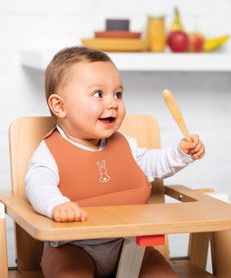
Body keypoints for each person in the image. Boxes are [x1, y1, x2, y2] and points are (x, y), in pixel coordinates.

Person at [25, 46, 205, 278]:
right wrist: (56, 205)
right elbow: (37, 184)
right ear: (60, 106)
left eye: (118, 94)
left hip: (129, 245)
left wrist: (181, 152)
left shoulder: (126, 145)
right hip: (73, 248)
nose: (113, 103)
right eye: (98, 94)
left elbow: (153, 163)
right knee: (67, 272)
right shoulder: (49, 151)